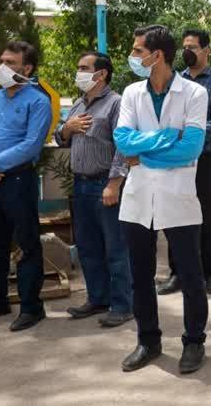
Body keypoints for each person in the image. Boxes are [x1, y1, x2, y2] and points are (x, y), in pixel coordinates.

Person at [113, 25, 209, 375]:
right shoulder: (132, 93)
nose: (133, 56)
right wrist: (168, 137)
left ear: (158, 55)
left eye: (138, 51)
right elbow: (122, 141)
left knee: (190, 275)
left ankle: (194, 341)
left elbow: (192, 148)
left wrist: (143, 154)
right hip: (138, 197)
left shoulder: (194, 93)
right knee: (140, 275)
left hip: (177, 196)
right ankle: (148, 341)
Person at [0, 41, 52, 332]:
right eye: (2, 60)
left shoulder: (38, 102)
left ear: (27, 68)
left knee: (27, 245)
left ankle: (31, 308)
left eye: (11, 62)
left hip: (18, 180)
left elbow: (30, 146)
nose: (2, 67)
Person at [56, 52, 133, 327]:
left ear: (101, 74)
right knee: (88, 247)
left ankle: (123, 305)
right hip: (80, 185)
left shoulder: (116, 103)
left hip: (105, 184)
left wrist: (114, 183)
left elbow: (124, 146)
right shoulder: (78, 104)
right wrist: (67, 128)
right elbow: (60, 138)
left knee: (115, 248)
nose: (78, 72)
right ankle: (98, 298)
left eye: (84, 68)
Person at [156, 29, 211, 296]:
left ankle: (210, 272)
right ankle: (177, 272)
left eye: (193, 47)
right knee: (175, 213)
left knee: (208, 215)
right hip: (178, 158)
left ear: (206, 50)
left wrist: (190, 134)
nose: (187, 51)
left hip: (207, 158)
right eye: (184, 47)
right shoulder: (174, 82)